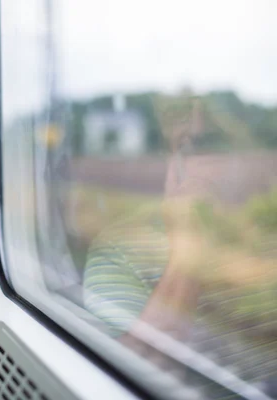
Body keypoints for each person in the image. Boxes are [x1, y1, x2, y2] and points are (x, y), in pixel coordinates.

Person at [83, 94, 277, 398]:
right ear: (175, 167)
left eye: (225, 144)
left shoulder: (263, 239)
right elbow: (136, 371)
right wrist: (186, 253)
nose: (225, 162)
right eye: (199, 146)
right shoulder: (122, 250)